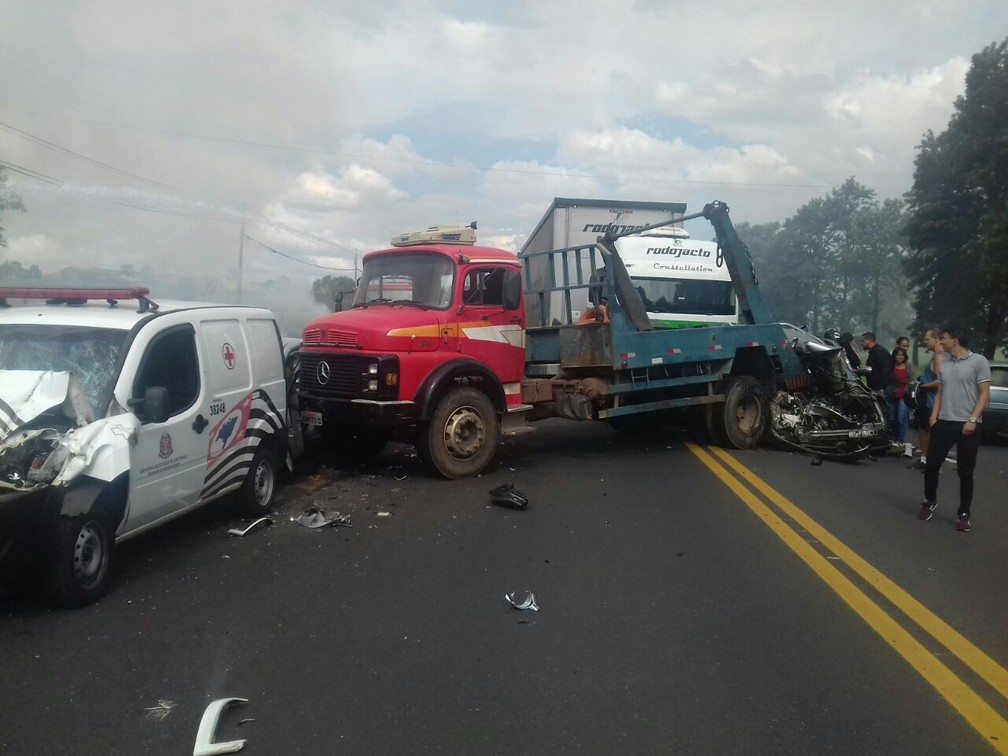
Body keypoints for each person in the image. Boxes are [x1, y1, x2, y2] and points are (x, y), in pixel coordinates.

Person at [918, 327, 991, 531]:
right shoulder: (945, 364)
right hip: (944, 421)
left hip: (969, 423)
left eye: (944, 339)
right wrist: (934, 417)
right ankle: (929, 500)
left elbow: (984, 394)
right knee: (932, 464)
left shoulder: (979, 361)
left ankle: (964, 513)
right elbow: (941, 392)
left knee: (965, 470)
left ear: (955, 341)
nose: (941, 342)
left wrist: (973, 419)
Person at [911, 328, 948, 470]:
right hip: (928, 400)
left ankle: (927, 460)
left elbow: (941, 381)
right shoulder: (937, 356)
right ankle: (925, 459)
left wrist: (922, 386)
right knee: (923, 429)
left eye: (927, 339)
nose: (924, 342)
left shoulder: (939, 357)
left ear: (938, 339)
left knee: (927, 430)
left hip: (931, 401)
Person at [889, 347, 911, 452]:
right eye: (898, 355)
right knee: (891, 417)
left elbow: (913, 380)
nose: (899, 357)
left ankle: (900, 439)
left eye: (901, 355)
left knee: (901, 418)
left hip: (904, 394)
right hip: (893, 394)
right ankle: (892, 437)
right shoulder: (891, 367)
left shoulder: (908, 366)